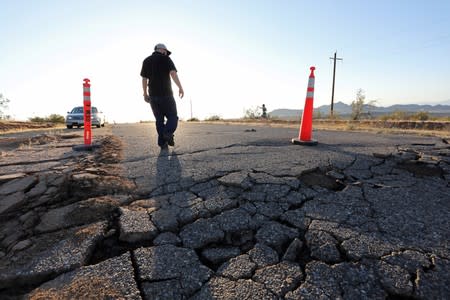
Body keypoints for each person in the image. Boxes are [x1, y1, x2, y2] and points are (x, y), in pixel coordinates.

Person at [140, 43, 184, 148]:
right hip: (166, 94)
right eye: (166, 51)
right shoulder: (166, 59)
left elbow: (144, 79)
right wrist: (180, 87)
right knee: (173, 116)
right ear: (162, 49)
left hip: (153, 96)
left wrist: (145, 93)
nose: (166, 53)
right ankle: (168, 133)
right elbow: (173, 74)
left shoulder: (146, 60)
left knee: (159, 119)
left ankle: (162, 143)